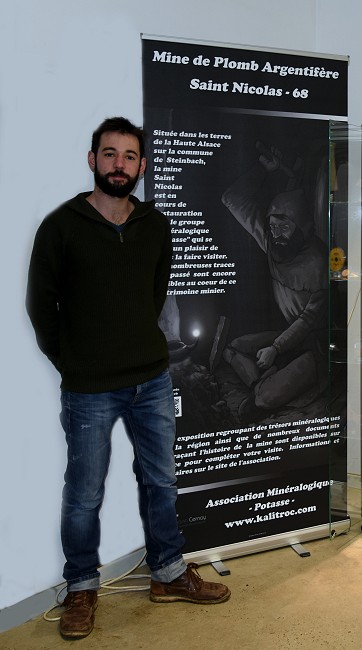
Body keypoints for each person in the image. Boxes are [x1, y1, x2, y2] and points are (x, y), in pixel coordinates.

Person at [26, 116, 231, 640]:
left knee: (161, 481)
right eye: (110, 154)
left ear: (141, 166)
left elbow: (154, 293)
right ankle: (81, 588)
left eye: (130, 156)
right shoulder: (60, 226)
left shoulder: (154, 225)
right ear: (92, 160)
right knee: (84, 494)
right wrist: (72, 362)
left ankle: (168, 573)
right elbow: (40, 306)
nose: (120, 164)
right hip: (89, 388)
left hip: (152, 380)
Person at [220, 142, 328, 423]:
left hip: (315, 348)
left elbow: (307, 321)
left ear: (301, 226)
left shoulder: (319, 260)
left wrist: (276, 349)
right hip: (285, 338)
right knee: (233, 348)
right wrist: (262, 170)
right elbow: (232, 199)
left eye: (284, 226)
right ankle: (264, 383)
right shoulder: (272, 244)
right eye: (272, 226)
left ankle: (263, 390)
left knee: (264, 398)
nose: (276, 233)